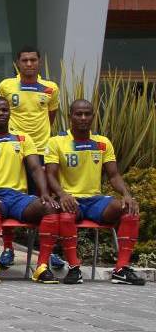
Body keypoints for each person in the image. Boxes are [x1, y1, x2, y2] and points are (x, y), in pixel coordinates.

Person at [45, 99, 145, 285]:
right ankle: (74, 268)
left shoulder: (102, 142)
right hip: (71, 199)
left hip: (95, 201)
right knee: (66, 216)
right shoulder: (56, 141)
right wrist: (62, 194)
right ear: (70, 116)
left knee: (129, 209)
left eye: (87, 114)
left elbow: (114, 175)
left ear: (93, 116)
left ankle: (121, 269)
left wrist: (127, 194)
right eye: (78, 114)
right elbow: (50, 175)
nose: (83, 118)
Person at [0, 96, 59, 284]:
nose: (1, 113)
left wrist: (44, 193)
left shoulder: (23, 138)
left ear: (10, 112)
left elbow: (35, 168)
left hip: (18, 198)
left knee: (49, 207)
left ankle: (41, 267)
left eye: (5, 110)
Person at [0, 46, 61, 269]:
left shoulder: (51, 88)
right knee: (9, 197)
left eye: (33, 60)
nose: (29, 64)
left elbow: (50, 117)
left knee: (43, 200)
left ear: (39, 62)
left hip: (40, 151)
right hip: (12, 150)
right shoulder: (6, 86)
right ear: (18, 63)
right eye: (25, 60)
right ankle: (8, 249)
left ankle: (47, 252)